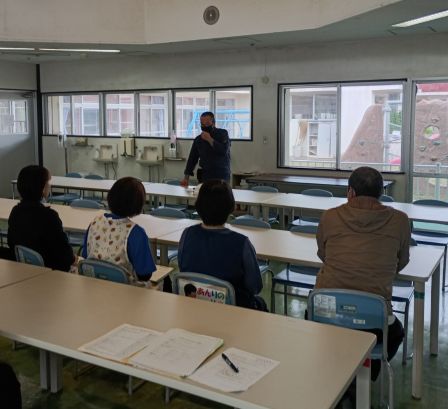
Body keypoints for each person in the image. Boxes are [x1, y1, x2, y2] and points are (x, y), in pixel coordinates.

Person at [313, 166, 410, 384]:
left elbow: (323, 254)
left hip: (325, 313)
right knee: (395, 333)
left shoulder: (329, 216)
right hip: (374, 320)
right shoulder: (400, 220)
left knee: (324, 325)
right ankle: (361, 377)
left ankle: (338, 376)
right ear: (381, 193)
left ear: (350, 192)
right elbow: (401, 262)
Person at [178, 180, 266, 310]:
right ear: (231, 207)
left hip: (194, 307)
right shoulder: (241, 243)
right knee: (260, 303)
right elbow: (255, 287)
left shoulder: (187, 234)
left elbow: (183, 268)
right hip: (234, 311)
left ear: (198, 205)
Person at [82, 177, 157, 286]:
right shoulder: (136, 233)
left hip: (94, 285)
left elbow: (86, 255)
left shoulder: (95, 223)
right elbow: (145, 275)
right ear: (138, 203)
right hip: (124, 290)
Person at [8, 165, 76, 271]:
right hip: (52, 272)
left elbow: (11, 243)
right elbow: (65, 255)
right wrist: (74, 259)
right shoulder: (49, 216)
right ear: (43, 188)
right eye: (47, 183)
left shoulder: (15, 212)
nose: (49, 186)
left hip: (25, 268)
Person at [180, 112, 231, 186]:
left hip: (221, 174)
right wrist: (186, 178)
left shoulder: (223, 133)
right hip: (206, 174)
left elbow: (223, 151)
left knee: (221, 193)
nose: (204, 126)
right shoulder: (198, 139)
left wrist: (210, 139)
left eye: (207, 124)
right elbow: (192, 158)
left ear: (213, 123)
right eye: (202, 124)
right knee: (205, 193)